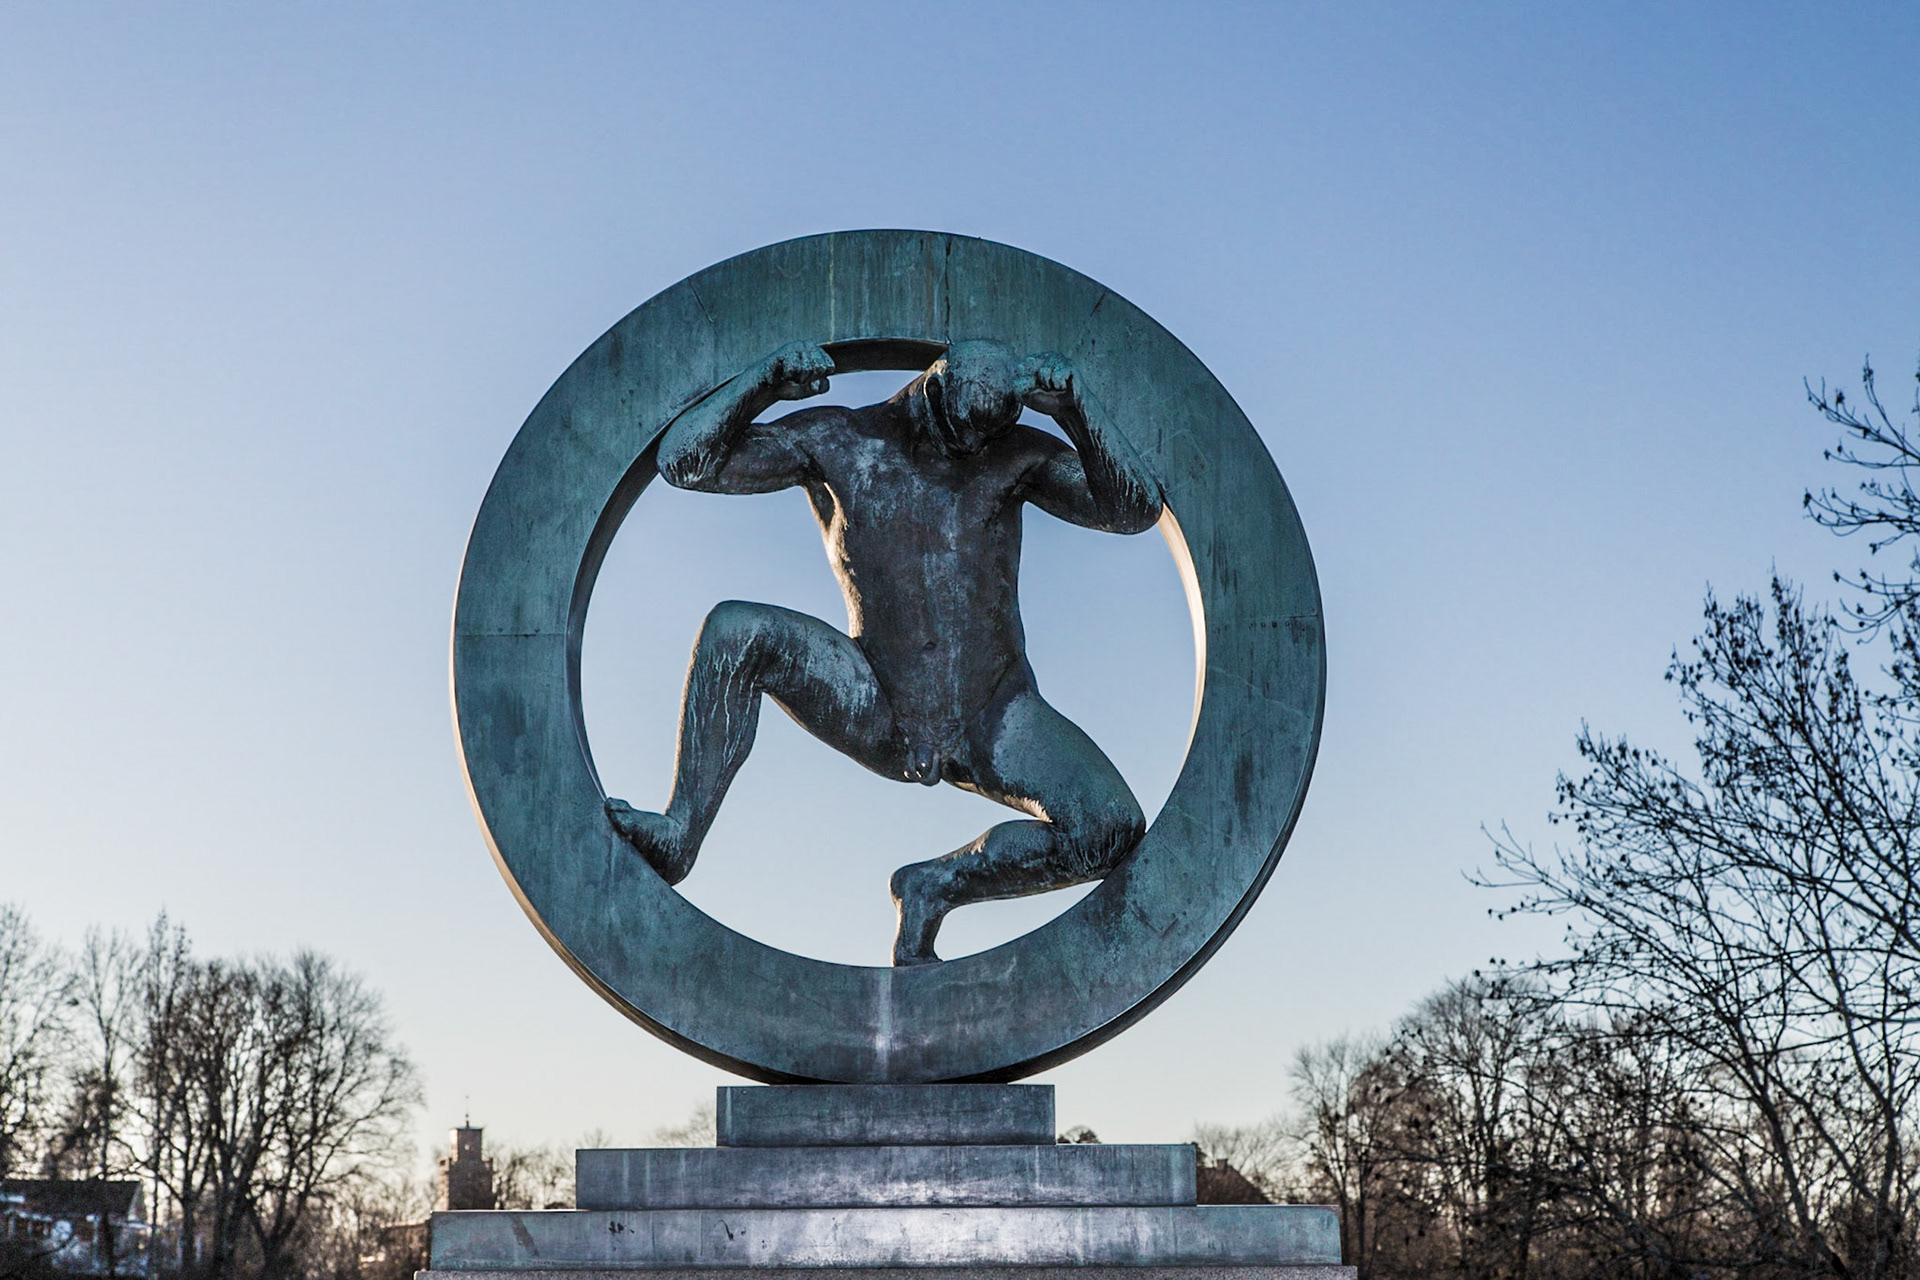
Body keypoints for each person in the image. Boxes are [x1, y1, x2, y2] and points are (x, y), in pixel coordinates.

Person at [604, 338, 1164, 964]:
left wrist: (1075, 410)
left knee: (1108, 828)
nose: (972, 452)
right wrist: (761, 383)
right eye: (961, 434)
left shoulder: (1016, 456)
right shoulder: (840, 440)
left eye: (990, 438)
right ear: (932, 389)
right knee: (736, 631)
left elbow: (1134, 512)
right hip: (877, 696)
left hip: (997, 711)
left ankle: (934, 886)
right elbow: (685, 463)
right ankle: (681, 830)